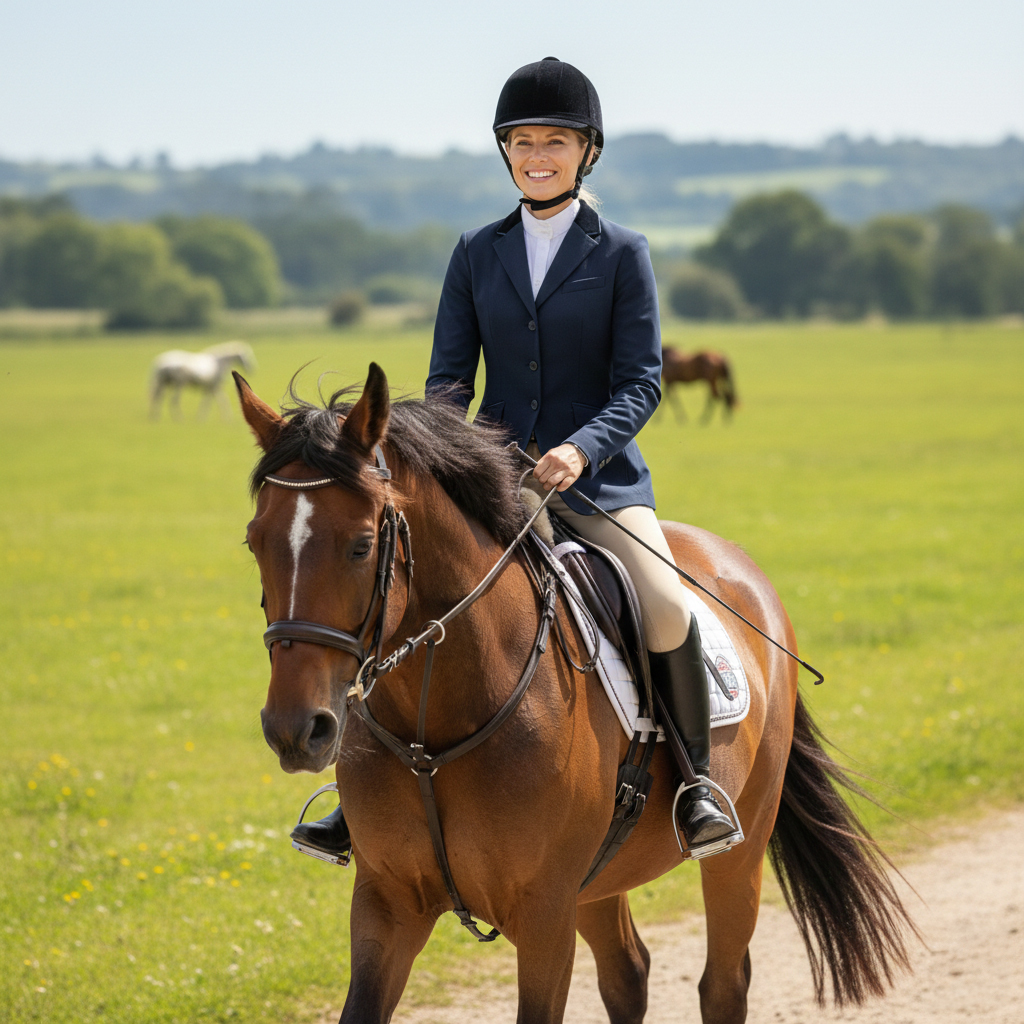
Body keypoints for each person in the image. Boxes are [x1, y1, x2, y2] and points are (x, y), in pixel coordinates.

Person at [291, 57, 735, 861]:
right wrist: (451, 455)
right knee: (393, 593)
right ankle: (356, 801)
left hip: (599, 482)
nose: (538, 154)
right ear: (505, 152)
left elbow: (640, 382)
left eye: (555, 141)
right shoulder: (475, 251)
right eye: (523, 141)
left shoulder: (623, 252)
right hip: (491, 481)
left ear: (586, 152)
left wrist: (580, 448)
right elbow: (447, 381)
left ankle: (698, 784)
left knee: (665, 606)